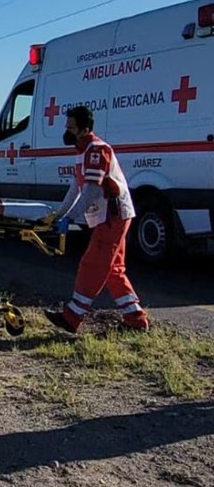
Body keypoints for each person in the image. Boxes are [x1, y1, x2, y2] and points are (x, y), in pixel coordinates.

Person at [43, 106, 149, 333]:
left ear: (85, 128)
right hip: (110, 215)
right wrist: (59, 214)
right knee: (113, 269)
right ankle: (135, 317)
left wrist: (69, 217)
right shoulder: (83, 151)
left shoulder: (97, 150)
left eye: (71, 127)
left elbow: (91, 190)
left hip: (113, 216)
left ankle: (72, 316)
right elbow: (75, 188)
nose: (67, 131)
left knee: (92, 264)